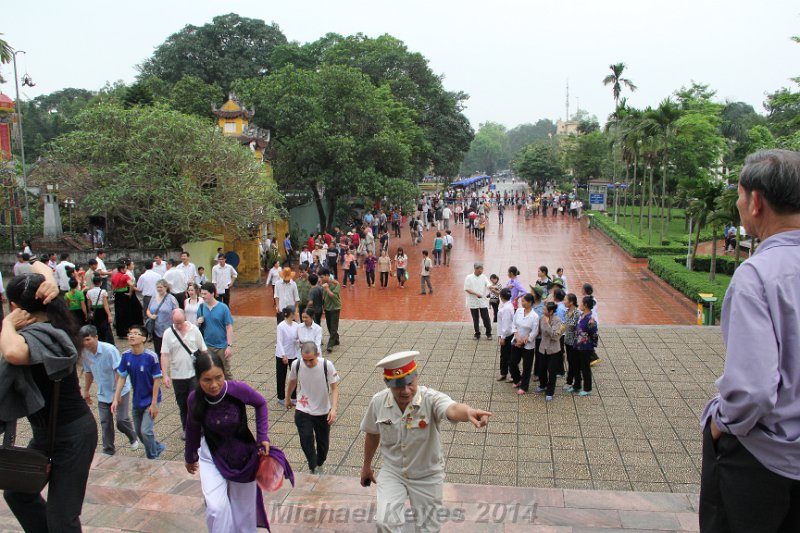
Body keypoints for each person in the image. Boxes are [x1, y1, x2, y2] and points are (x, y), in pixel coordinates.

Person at [699, 149, 800, 533]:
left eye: (739, 196)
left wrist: (721, 423)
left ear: (756, 201)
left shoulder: (757, 275)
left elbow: (753, 390)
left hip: (762, 459)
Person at [1, 267, 98, 532]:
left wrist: (7, 323)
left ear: (13, 306)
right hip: (47, 433)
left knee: (62, 518)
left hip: (74, 435)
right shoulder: (53, 325)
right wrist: (51, 282)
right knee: (17, 492)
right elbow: (39, 265)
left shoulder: (49, 336)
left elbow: (12, 353)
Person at [360, 351, 492, 532]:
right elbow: (372, 433)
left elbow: (451, 409)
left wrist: (468, 412)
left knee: (428, 528)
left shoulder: (431, 399)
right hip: (393, 472)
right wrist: (366, 466)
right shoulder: (378, 402)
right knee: (386, 522)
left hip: (427, 474)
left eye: (410, 384)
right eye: (398, 386)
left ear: (417, 378)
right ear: (387, 384)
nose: (406, 391)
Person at [184, 351, 274, 532]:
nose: (214, 385)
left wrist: (262, 436)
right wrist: (190, 456)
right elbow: (192, 429)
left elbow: (261, 403)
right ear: (198, 379)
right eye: (207, 380)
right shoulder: (194, 399)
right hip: (212, 455)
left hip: (244, 457)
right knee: (216, 508)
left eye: (218, 377)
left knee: (244, 511)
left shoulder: (237, 390)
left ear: (224, 373)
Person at [80, 325, 139, 455]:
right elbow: (88, 372)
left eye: (88, 339)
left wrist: (117, 394)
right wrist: (86, 390)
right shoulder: (84, 353)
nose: (85, 343)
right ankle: (108, 450)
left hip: (120, 390)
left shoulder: (109, 350)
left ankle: (133, 436)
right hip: (103, 393)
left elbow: (119, 372)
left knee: (121, 420)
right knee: (105, 422)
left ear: (96, 337)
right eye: (83, 340)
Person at [111, 324, 165, 460]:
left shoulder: (151, 357)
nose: (131, 336)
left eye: (136, 333)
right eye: (130, 333)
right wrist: (115, 398)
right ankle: (157, 447)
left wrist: (154, 404)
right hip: (137, 401)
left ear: (144, 338)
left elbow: (157, 380)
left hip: (151, 400)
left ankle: (152, 457)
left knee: (146, 431)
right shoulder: (126, 356)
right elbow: (122, 377)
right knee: (140, 433)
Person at [286, 341, 340, 474]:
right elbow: (292, 381)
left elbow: (334, 388)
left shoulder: (327, 365)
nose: (308, 363)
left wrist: (333, 409)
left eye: (311, 360)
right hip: (303, 408)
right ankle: (313, 466)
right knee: (306, 437)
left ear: (317, 354)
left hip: (322, 411)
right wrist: (287, 398)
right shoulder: (297, 364)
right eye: (305, 360)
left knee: (323, 446)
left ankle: (319, 463)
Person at [161, 309, 206, 435]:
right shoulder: (168, 333)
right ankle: (186, 428)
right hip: (177, 375)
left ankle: (199, 426)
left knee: (196, 401)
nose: (179, 325)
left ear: (185, 318)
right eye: (176, 323)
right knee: (182, 403)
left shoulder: (194, 330)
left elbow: (203, 350)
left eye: (181, 322)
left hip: (193, 374)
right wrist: (165, 375)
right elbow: (164, 354)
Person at [197, 283, 235, 380]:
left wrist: (229, 346)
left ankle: (231, 392)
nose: (203, 296)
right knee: (209, 370)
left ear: (212, 293)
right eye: (202, 294)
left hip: (221, 346)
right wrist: (198, 323)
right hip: (207, 345)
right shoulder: (201, 308)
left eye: (205, 294)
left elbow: (229, 327)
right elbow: (197, 328)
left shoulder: (223, 308)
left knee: (225, 372)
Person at [511, 293, 539, 395]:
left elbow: (534, 331)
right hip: (516, 341)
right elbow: (513, 325)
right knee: (513, 362)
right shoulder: (518, 311)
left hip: (528, 345)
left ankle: (524, 386)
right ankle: (517, 379)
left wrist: (524, 340)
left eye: (524, 301)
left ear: (530, 302)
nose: (521, 303)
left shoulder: (534, 316)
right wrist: (517, 337)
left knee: (527, 366)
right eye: (521, 301)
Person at [536, 302, 564, 401]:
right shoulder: (541, 318)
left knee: (552, 372)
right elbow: (538, 331)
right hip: (543, 348)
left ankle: (550, 391)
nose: (543, 311)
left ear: (551, 311)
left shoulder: (557, 321)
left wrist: (547, 324)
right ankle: (542, 385)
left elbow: (555, 336)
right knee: (541, 369)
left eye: (545, 310)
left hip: (554, 350)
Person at [572, 296, 597, 397]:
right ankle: (576, 385)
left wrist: (591, 347)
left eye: (581, 303)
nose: (580, 305)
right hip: (577, 345)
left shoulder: (590, 320)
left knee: (585, 367)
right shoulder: (581, 315)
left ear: (586, 305)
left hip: (586, 347)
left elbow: (594, 335)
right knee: (576, 366)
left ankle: (587, 388)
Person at [146, 279, 179, 356]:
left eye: (161, 287)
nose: (159, 289)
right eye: (157, 287)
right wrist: (151, 316)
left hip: (168, 328)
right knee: (158, 350)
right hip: (156, 328)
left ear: (165, 287)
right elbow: (148, 310)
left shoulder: (171, 298)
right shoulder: (153, 297)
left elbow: (177, 312)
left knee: (170, 351)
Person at [275, 306, 299, 406]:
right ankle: (281, 397)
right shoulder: (281, 326)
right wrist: (283, 355)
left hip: (293, 354)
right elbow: (279, 341)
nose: (298, 314)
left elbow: (298, 338)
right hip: (282, 355)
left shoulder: (296, 325)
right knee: (281, 376)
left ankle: (293, 397)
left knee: (294, 376)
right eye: (296, 313)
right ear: (291, 314)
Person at [464, 262, 492, 339]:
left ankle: (488, 333)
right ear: (476, 269)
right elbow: (467, 289)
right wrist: (476, 294)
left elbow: (488, 284)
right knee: (475, 318)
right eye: (480, 269)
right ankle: (477, 333)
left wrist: (492, 288)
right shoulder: (469, 277)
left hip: (482, 301)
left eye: (482, 269)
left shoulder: (483, 277)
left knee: (486, 317)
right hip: (473, 301)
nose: (481, 270)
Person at [86, 274, 114, 344]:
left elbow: (89, 304)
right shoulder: (103, 292)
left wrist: (89, 312)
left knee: (96, 326)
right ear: (101, 282)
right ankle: (107, 341)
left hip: (94, 310)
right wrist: (109, 315)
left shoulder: (89, 292)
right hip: (102, 310)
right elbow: (105, 305)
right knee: (105, 327)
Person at [318, 268, 341, 353]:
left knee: (334, 327)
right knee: (329, 326)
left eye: (322, 277)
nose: (321, 279)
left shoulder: (336, 284)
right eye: (320, 277)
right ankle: (336, 339)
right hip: (327, 308)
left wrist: (327, 289)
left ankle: (330, 345)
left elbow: (333, 297)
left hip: (335, 308)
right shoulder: (323, 284)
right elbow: (324, 298)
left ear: (327, 275)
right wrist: (323, 308)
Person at [496, 288, 515, 383]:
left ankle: (510, 374)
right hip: (506, 334)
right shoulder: (507, 305)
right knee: (504, 355)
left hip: (507, 335)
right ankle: (504, 372)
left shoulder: (506, 308)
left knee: (507, 356)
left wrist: (502, 337)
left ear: (501, 296)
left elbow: (506, 325)